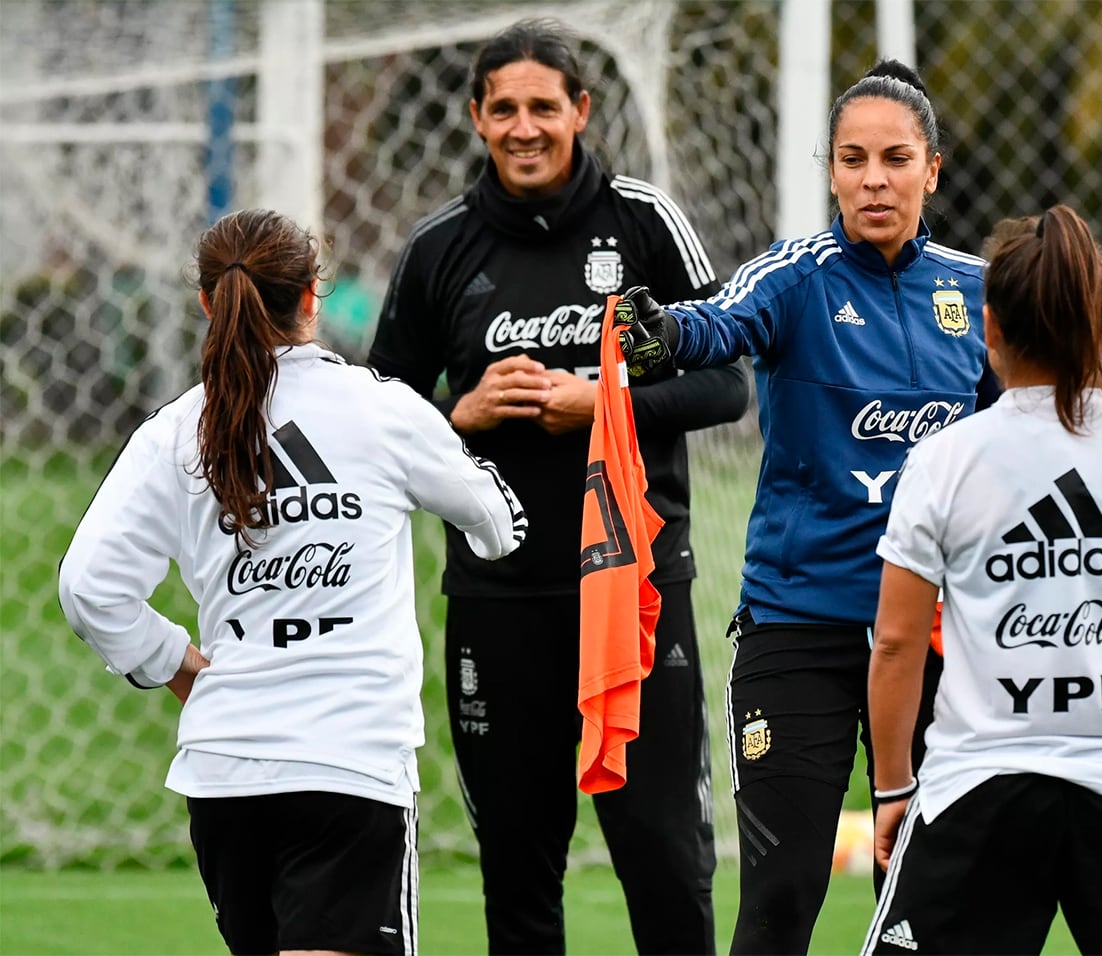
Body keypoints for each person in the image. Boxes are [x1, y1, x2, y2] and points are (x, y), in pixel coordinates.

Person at [365, 18, 748, 955]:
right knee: (520, 870)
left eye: (545, 107)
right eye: (505, 110)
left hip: (634, 595)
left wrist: (600, 403)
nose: (525, 128)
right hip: (500, 601)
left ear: (580, 111)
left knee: (664, 858)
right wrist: (461, 413)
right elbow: (376, 413)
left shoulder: (643, 223)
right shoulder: (439, 250)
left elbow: (727, 381)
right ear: (476, 118)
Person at [56, 208, 527, 956]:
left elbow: (88, 588)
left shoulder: (176, 430)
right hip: (349, 765)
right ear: (312, 296)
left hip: (225, 775)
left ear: (210, 303)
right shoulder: (382, 410)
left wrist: (174, 662)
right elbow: (500, 527)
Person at [616, 59, 1000, 954]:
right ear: (829, 168)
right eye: (854, 158)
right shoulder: (795, 277)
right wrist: (664, 333)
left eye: (896, 158)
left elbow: (1034, 412)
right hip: (802, 629)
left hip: (946, 640)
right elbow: (722, 322)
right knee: (782, 899)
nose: (875, 179)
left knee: (933, 905)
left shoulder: (979, 290)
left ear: (932, 169)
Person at [861, 205, 1102, 954]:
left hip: (977, 787)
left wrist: (895, 786)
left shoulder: (944, 461)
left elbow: (897, 645)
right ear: (1100, 323)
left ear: (989, 328)